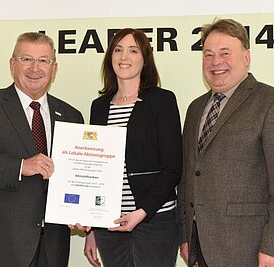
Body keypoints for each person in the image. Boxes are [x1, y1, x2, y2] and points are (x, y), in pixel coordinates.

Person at [0, 32, 84, 266]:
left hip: (51, 247)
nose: (35, 68)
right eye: (26, 59)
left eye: (44, 60)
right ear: (12, 64)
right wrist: (21, 166)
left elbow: (75, 177)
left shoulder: (71, 116)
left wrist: (80, 211)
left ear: (54, 68)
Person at [177, 18, 274, 267]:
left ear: (246, 57)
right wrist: (186, 236)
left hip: (250, 249)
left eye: (225, 53)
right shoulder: (195, 109)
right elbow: (188, 176)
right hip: (200, 247)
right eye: (208, 54)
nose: (216, 62)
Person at [82, 28, 183, 267]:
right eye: (118, 50)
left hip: (154, 221)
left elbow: (173, 168)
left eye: (133, 50)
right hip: (110, 223)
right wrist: (92, 228)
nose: (124, 57)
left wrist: (142, 212)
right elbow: (95, 168)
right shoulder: (99, 107)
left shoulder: (162, 101)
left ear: (144, 59)